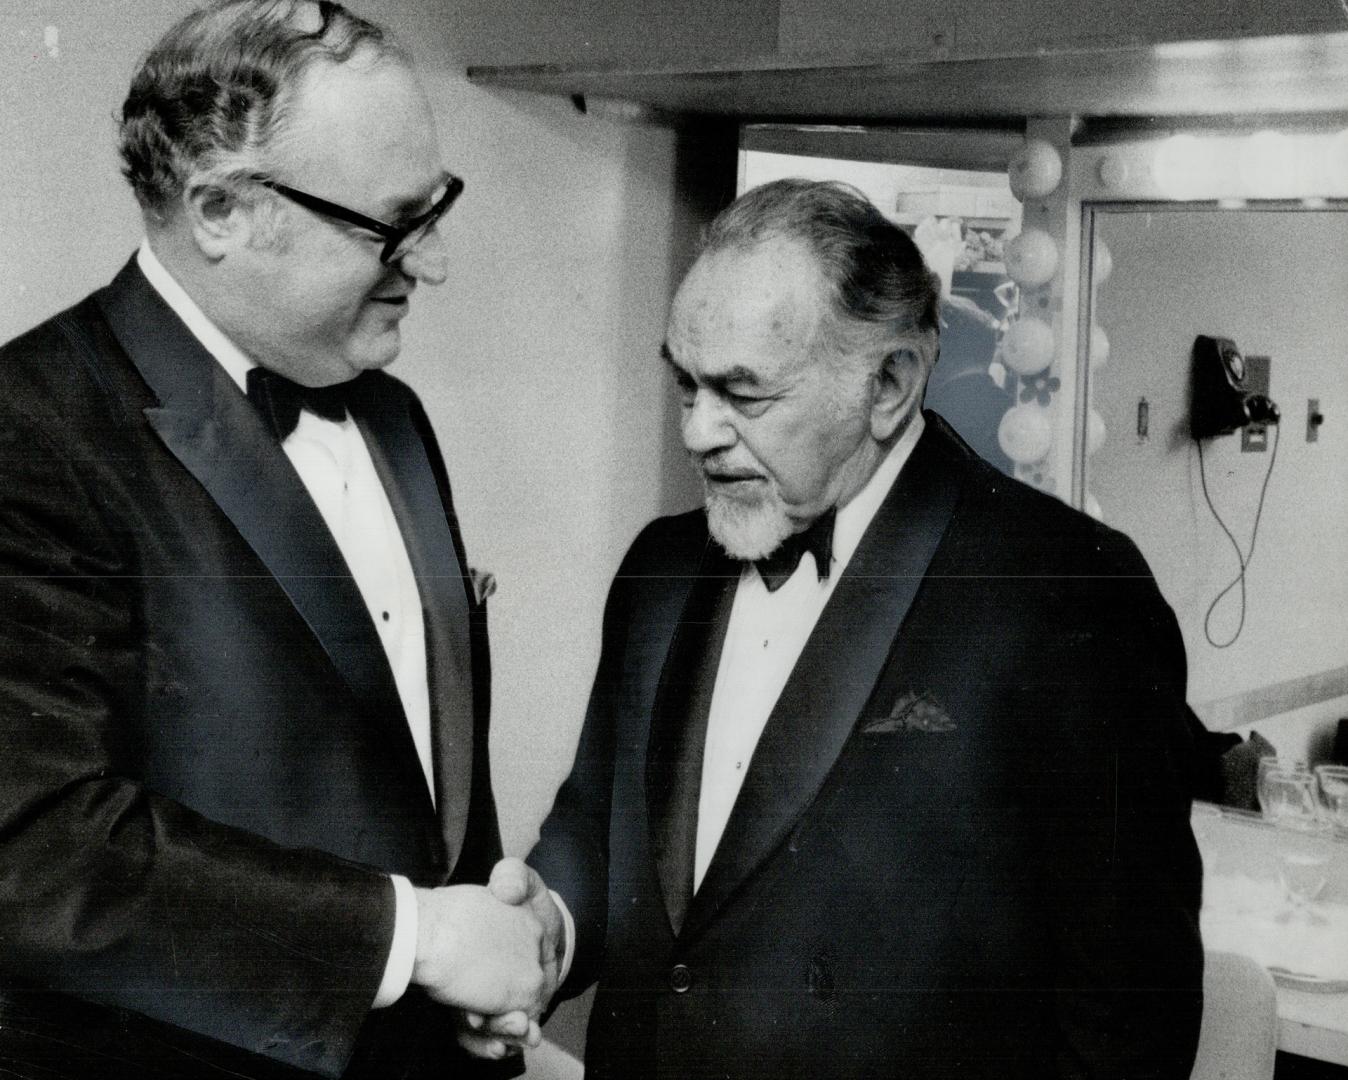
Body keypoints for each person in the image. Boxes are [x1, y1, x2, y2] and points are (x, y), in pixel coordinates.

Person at [526, 179, 1205, 1079]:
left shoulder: (1069, 596)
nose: (696, 431)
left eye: (743, 394)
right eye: (685, 384)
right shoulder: (660, 566)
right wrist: (547, 928)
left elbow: (1128, 1021)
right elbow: (598, 824)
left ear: (890, 385)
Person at [0, 2, 561, 1078]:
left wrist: (479, 956)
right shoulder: (32, 430)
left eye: (434, 209)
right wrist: (416, 940)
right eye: (389, 227)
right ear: (218, 210)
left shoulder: (392, 417)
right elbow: (35, 847)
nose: (427, 264)